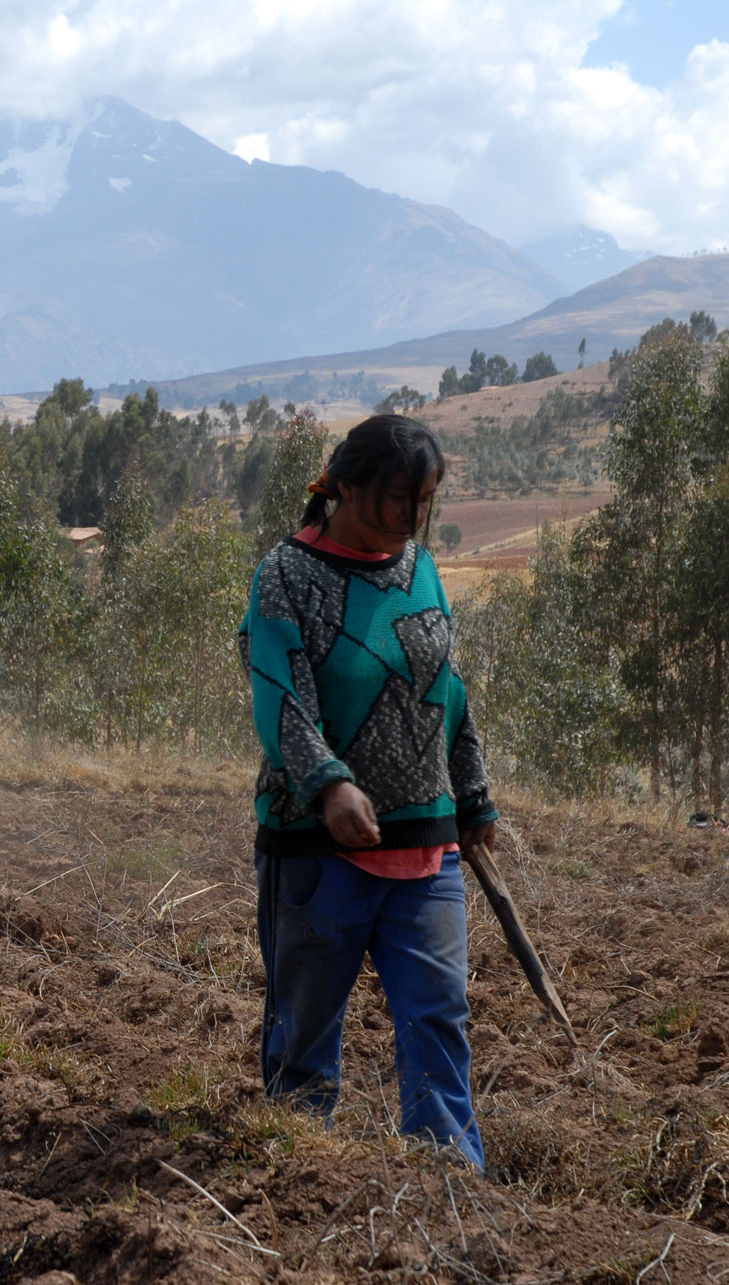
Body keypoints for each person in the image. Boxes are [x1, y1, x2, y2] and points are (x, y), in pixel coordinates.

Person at [239, 413, 497, 1169]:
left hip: (426, 847)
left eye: (423, 503)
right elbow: (277, 693)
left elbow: (444, 686)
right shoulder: (286, 574)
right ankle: (298, 1171)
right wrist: (327, 784)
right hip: (318, 853)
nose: (412, 520)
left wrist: (472, 795)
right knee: (306, 1030)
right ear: (344, 487)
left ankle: (447, 1175)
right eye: (395, 500)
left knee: (439, 1015)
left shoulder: (419, 568)